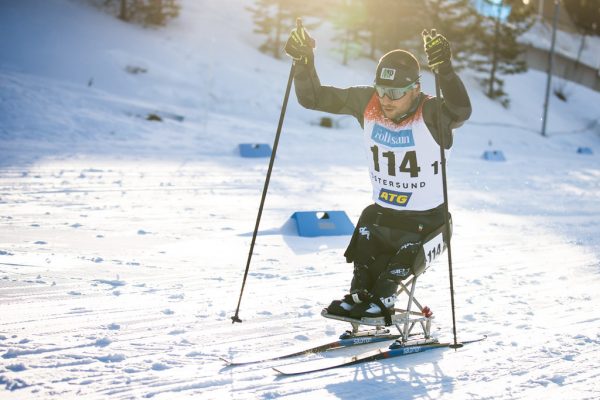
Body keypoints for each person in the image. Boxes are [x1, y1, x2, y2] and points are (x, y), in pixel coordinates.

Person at [284, 26, 471, 321]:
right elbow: (313, 98)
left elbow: (461, 112)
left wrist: (444, 69)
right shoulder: (367, 103)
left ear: (415, 89)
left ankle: (384, 297)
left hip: (430, 224)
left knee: (393, 267)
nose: (386, 99)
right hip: (384, 216)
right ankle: (359, 296)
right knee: (368, 226)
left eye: (395, 92)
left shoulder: (432, 113)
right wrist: (304, 61)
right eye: (382, 90)